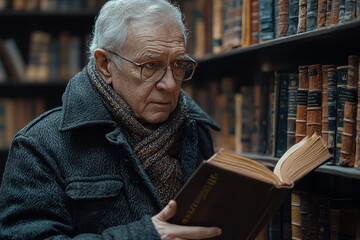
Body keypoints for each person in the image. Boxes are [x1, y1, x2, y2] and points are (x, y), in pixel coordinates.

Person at [0, 0, 222, 239]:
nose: (169, 84)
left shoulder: (194, 128)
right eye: (150, 65)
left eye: (178, 64)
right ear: (105, 65)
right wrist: (143, 236)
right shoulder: (39, 145)